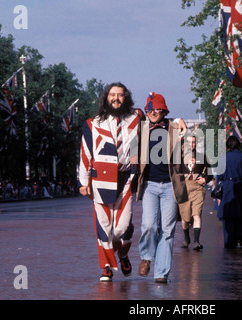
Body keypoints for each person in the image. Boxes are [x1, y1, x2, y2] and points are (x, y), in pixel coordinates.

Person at [78, 82, 142, 282]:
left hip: (126, 179)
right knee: (103, 226)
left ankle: (122, 254)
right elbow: (85, 153)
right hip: (101, 180)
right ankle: (106, 266)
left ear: (126, 97)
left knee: (122, 228)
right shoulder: (93, 123)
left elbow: (159, 124)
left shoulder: (137, 119)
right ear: (106, 98)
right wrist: (83, 181)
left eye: (120, 95)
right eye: (112, 94)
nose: (116, 98)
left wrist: (178, 123)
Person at [136, 92, 188, 284]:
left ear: (164, 110)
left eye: (157, 109)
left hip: (170, 187)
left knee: (167, 230)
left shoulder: (174, 127)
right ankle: (147, 257)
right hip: (149, 185)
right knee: (149, 225)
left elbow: (187, 143)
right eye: (149, 109)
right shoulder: (141, 129)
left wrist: (181, 120)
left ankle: (161, 272)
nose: (152, 112)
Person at [216, 136, 242, 248]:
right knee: (241, 214)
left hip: (227, 186)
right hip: (240, 186)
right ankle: (241, 236)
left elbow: (219, 175)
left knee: (228, 215)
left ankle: (229, 239)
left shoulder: (223, 158)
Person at [178, 134, 213, 250]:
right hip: (184, 188)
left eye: (193, 142)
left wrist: (205, 179)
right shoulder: (179, 157)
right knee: (185, 217)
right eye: (189, 142)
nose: (191, 145)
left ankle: (196, 241)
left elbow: (210, 172)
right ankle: (186, 238)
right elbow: (172, 173)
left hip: (198, 188)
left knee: (196, 214)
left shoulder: (202, 157)